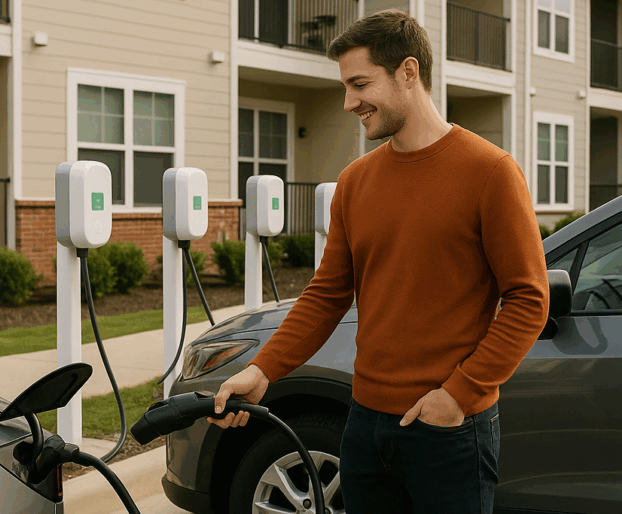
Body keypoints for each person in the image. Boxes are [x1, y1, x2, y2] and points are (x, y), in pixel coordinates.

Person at [207, 8, 550, 514]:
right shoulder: (355, 182)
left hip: (450, 430)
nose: (349, 102)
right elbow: (326, 294)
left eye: (360, 84)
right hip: (364, 424)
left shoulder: (490, 172)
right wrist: (262, 370)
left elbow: (528, 299)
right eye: (345, 87)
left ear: (408, 73)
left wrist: (458, 396)